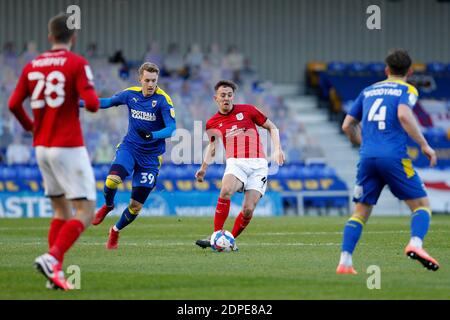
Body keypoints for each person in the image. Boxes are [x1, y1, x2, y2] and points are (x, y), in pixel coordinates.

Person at [8, 13, 100, 290]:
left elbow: (13, 104)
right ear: (73, 37)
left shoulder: (32, 64)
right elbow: (93, 104)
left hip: (41, 147)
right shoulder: (77, 63)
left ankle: (54, 273)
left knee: (60, 210)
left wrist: (31, 127)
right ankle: (52, 258)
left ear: (50, 37)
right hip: (68, 146)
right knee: (85, 210)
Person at [336, 49, 439, 274]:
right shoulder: (407, 88)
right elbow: (403, 115)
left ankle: (345, 262)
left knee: (360, 212)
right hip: (393, 156)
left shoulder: (368, 90)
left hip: (367, 157)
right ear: (409, 71)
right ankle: (416, 244)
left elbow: (347, 125)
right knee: (421, 206)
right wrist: (424, 145)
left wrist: (362, 143)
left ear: (386, 70)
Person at [83, 62, 176, 249]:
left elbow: (172, 129)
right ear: (140, 79)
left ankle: (115, 231)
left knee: (135, 206)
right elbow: (107, 102)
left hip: (151, 158)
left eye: (154, 81)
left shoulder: (164, 100)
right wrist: (78, 103)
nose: (151, 84)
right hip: (130, 148)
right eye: (147, 80)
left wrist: (153, 135)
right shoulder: (130, 94)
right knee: (112, 180)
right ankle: (108, 205)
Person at [195, 80, 285, 249]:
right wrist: (203, 168)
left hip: (259, 165)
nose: (226, 98)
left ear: (233, 96)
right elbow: (212, 148)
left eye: (229, 95)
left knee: (248, 210)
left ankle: (228, 240)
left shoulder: (248, 110)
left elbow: (271, 127)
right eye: (223, 95)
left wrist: (278, 149)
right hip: (236, 162)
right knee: (226, 190)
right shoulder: (212, 123)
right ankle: (216, 236)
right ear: (216, 98)